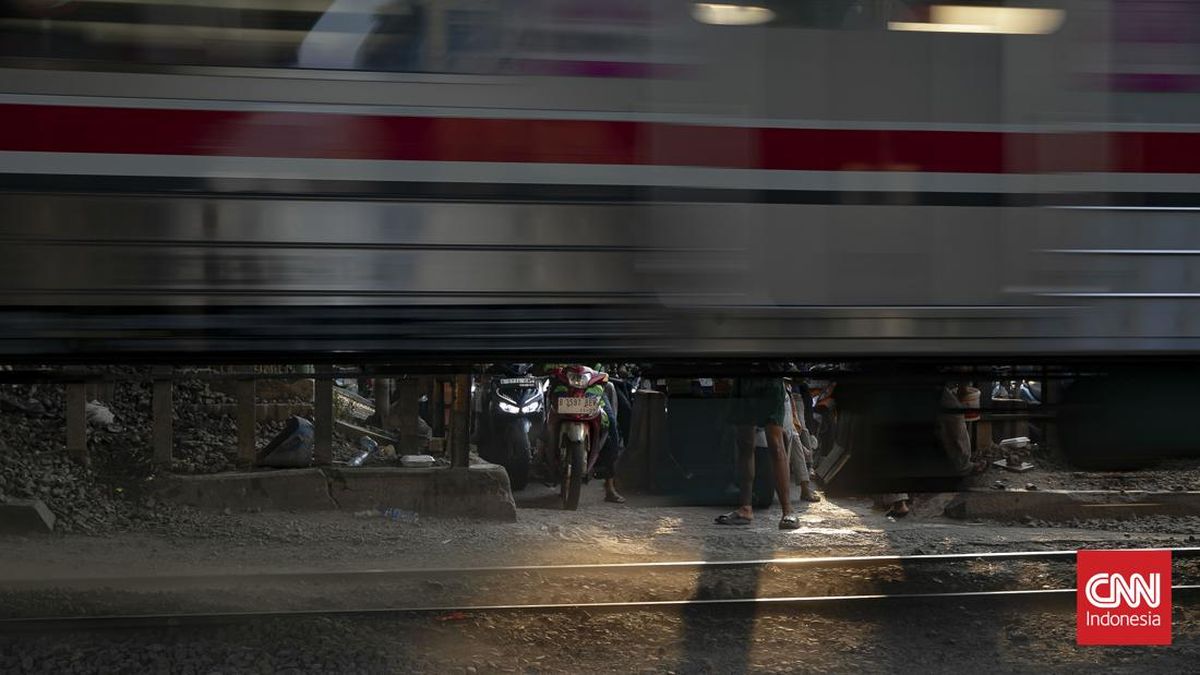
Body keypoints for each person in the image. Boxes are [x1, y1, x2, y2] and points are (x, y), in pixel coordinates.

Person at [715, 366, 800, 529]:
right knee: (745, 445)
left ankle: (787, 510)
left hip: (770, 376)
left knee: (775, 445)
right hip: (745, 378)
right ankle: (745, 508)